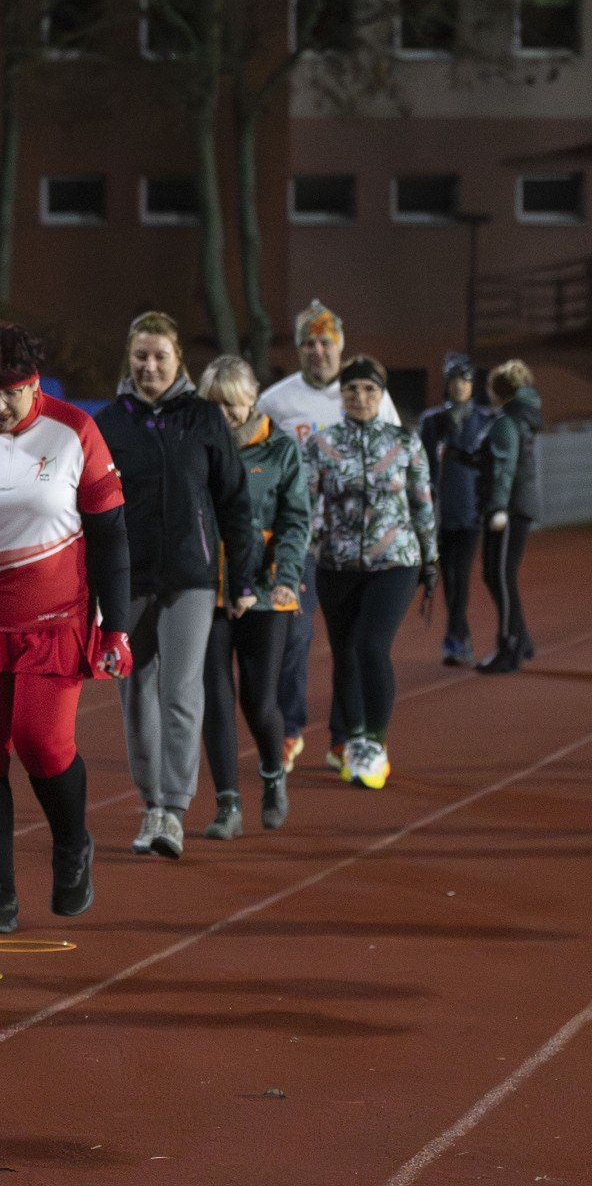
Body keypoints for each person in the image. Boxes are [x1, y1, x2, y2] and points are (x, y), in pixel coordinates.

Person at [0, 321, 131, 933]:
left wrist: (116, 626)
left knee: (43, 742)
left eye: (13, 392)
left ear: (35, 382)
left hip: (56, 619)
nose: (0, 405)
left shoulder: (75, 431)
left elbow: (110, 536)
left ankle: (72, 845)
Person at [95, 313, 258, 860]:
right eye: (141, 356)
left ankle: (173, 808)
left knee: (182, 690)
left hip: (191, 576)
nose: (150, 366)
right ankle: (150, 804)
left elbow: (235, 500)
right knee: (136, 690)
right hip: (128, 577)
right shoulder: (108, 424)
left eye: (160, 356)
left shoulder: (204, 419)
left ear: (178, 359)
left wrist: (242, 578)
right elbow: (86, 511)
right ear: (129, 358)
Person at [259, 300, 401, 773]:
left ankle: (346, 734)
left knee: (354, 643)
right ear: (298, 350)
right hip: (296, 539)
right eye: (307, 343)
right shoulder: (276, 401)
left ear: (340, 346)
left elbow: (397, 458)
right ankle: (290, 730)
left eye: (325, 343)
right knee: (293, 636)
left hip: (355, 544)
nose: (317, 351)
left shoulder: (365, 393)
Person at [304, 356, 438, 790]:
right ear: (340, 396)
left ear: (382, 396)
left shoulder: (405, 442)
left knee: (371, 644)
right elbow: (304, 506)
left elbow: (422, 501)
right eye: (351, 390)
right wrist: (304, 550)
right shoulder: (321, 445)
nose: (360, 397)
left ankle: (374, 743)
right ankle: (350, 737)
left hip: (395, 560)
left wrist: (431, 558)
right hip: (337, 564)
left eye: (369, 390)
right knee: (344, 653)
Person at [196, 357, 309, 838]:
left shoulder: (282, 449)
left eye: (234, 403)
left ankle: (271, 774)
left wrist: (284, 575)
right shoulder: (195, 447)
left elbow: (294, 521)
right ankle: (227, 804)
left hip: (265, 592)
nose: (226, 414)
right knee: (214, 697)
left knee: (258, 702)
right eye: (216, 404)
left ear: (253, 397)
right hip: (206, 587)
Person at [419, 353, 492, 666]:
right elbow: (421, 466)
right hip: (437, 514)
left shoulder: (486, 420)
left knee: (460, 577)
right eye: (453, 381)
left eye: (464, 380)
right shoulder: (432, 421)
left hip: (470, 512)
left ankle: (456, 637)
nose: (459, 386)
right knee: (444, 577)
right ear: (446, 384)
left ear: (472, 384)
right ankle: (457, 636)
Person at [476, 360, 543, 674]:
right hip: (518, 506)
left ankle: (508, 648)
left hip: (510, 509)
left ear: (497, 392)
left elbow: (504, 467)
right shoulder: (523, 418)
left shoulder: (506, 422)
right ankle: (522, 639)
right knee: (498, 575)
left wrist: (499, 507)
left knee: (500, 577)